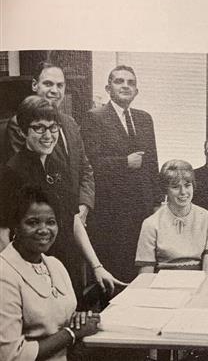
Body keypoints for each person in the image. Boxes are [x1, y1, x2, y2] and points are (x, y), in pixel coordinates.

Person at [0, 96, 124, 303]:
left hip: (65, 267)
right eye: (39, 128)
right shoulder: (12, 172)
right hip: (31, 273)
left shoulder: (59, 167)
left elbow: (72, 219)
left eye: (53, 127)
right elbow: (3, 234)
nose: (48, 135)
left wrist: (97, 267)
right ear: (23, 132)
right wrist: (19, 277)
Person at [0, 184, 100, 361]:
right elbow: (11, 355)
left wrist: (78, 319)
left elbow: (65, 317)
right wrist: (71, 333)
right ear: (16, 225)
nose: (44, 230)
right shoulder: (4, 273)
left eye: (51, 222)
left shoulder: (55, 265)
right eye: (32, 222)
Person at [81, 65, 161, 282]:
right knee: (117, 273)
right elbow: (90, 164)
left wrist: (156, 203)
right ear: (108, 88)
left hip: (142, 211)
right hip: (111, 213)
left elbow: (152, 163)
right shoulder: (94, 118)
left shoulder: (145, 119)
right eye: (119, 81)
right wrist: (124, 162)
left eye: (131, 82)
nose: (126, 86)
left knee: (144, 271)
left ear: (137, 91)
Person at [2, 62, 95, 249]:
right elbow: (32, 176)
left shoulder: (70, 123)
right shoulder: (19, 125)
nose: (55, 90)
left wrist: (83, 205)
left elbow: (84, 168)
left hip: (73, 221)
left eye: (60, 85)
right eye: (48, 84)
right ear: (35, 85)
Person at [136, 159, 208, 274]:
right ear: (165, 190)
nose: (183, 192)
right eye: (175, 187)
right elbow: (146, 273)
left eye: (187, 185)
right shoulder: (150, 223)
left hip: (197, 281)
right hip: (162, 283)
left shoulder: (207, 218)